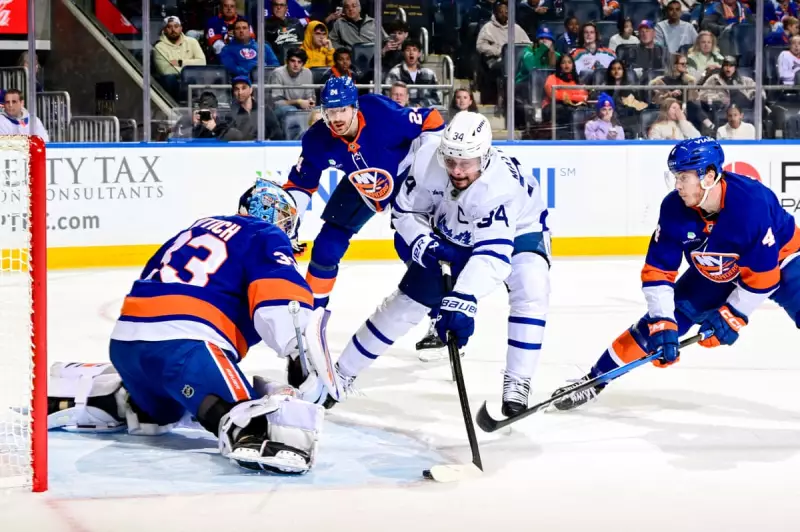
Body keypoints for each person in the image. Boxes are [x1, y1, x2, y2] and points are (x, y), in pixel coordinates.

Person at [47, 180, 339, 473]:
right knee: (248, 419)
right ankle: (248, 430)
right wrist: (300, 353)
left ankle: (122, 397)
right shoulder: (266, 233)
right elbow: (278, 294)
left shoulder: (197, 227)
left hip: (125, 343)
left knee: (162, 414)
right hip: (187, 345)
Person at [550, 137, 800, 411]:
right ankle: (593, 381)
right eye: (675, 176)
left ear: (709, 176)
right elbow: (658, 271)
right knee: (654, 329)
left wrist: (733, 315)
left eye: (683, 177)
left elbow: (764, 277)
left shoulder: (750, 204)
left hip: (783, 258)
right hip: (716, 269)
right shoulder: (673, 208)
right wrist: (663, 320)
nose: (677, 185)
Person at [330, 111, 551, 417]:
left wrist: (462, 300)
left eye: (466, 163)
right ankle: (339, 375)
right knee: (405, 305)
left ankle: (517, 382)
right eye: (451, 161)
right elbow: (405, 212)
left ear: (485, 157)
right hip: (453, 225)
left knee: (531, 288)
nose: (457, 171)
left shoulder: (498, 188)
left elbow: (492, 257)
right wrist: (424, 242)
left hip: (522, 227)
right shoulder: (427, 160)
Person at [283, 76, 445, 308]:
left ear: (354, 107)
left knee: (409, 243)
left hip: (405, 174)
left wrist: (427, 168)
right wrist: (290, 221)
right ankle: (312, 314)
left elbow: (432, 119)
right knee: (327, 246)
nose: (337, 118)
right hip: (363, 184)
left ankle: (437, 308)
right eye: (330, 111)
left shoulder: (380, 112)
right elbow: (301, 184)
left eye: (342, 110)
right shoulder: (317, 139)